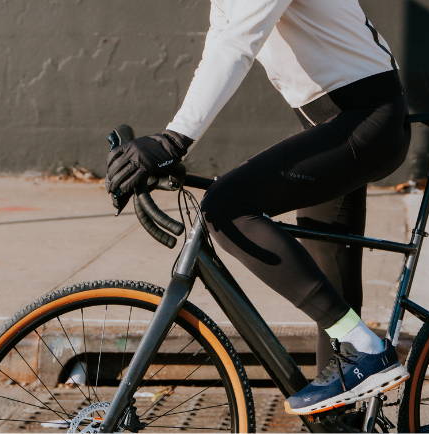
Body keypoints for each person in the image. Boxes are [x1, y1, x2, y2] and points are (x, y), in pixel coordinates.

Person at [106, 0, 411, 415]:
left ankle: (366, 348)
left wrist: (174, 140)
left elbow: (239, 44)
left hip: (364, 121)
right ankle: (345, 413)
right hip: (337, 125)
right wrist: (171, 144)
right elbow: (221, 42)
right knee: (330, 286)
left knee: (227, 206)